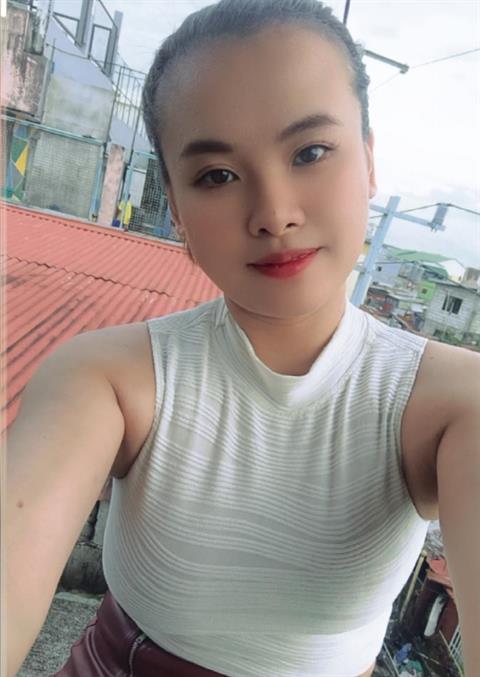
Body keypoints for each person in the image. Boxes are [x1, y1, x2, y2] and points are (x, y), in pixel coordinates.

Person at [6, 1, 479, 676]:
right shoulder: (107, 377)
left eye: (311, 152)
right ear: (177, 208)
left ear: (370, 161)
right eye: (217, 176)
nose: (274, 213)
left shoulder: (452, 403)